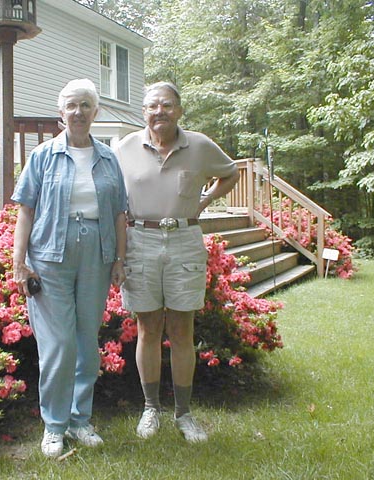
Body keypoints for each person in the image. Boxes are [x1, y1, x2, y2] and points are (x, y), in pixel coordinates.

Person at [114, 81, 240, 443]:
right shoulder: (124, 148)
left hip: (184, 240)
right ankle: (150, 408)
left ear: (179, 110)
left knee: (183, 331)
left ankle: (184, 413)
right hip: (141, 239)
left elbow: (229, 172)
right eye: (152, 106)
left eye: (167, 105)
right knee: (148, 329)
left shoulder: (199, 145)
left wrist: (203, 202)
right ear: (143, 112)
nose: (159, 112)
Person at [11, 78, 127, 458]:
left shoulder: (109, 159)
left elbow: (120, 216)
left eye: (86, 105)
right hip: (49, 257)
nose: (78, 112)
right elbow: (25, 211)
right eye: (71, 106)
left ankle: (80, 419)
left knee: (86, 343)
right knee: (59, 344)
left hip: (96, 253)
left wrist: (119, 260)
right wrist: (19, 263)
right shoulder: (43, 156)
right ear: (61, 113)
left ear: (96, 112)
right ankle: (55, 425)